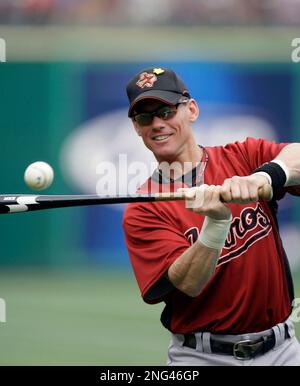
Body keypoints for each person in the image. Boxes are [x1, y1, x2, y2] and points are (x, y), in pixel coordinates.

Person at [122, 67, 300, 366]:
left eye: (166, 111)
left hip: (282, 351)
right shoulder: (143, 209)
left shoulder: (242, 156)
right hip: (202, 357)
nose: (157, 123)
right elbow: (188, 284)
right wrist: (215, 225)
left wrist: (265, 177)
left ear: (191, 110)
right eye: (144, 117)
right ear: (137, 128)